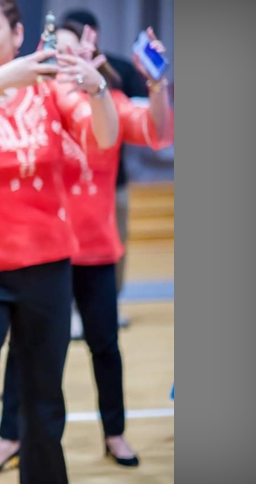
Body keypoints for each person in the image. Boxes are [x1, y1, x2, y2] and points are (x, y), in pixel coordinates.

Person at [0, 0, 119, 483]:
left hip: (47, 264)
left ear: (17, 35)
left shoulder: (49, 89)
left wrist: (97, 88)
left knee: (43, 397)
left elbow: (104, 135)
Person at [0, 23, 174, 474]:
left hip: (95, 249)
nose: (64, 61)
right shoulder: (31, 107)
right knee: (24, 350)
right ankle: (9, 436)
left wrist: (157, 82)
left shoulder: (106, 104)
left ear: (90, 57)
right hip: (42, 252)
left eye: (74, 53)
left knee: (105, 344)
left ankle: (115, 432)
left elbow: (157, 131)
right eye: (55, 52)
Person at [62, 9, 150, 325]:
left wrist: (156, 84)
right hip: (67, 181)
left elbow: (142, 117)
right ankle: (71, 309)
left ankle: (110, 303)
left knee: (116, 243)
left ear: (95, 35)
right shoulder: (52, 78)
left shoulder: (117, 70)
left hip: (113, 179)